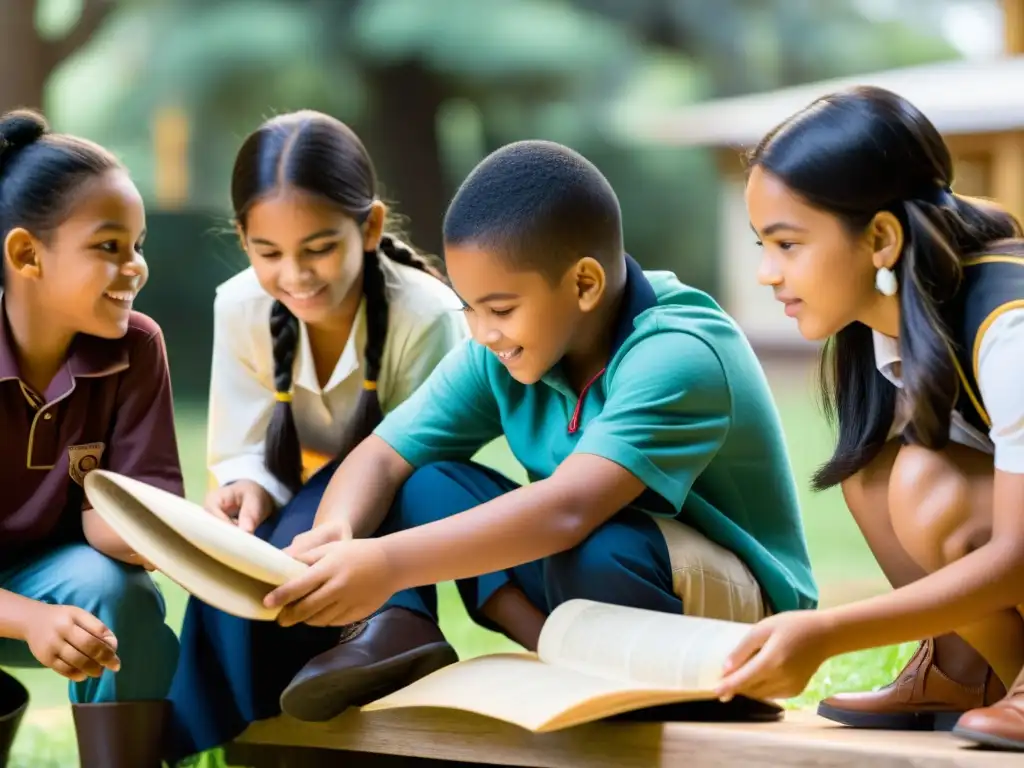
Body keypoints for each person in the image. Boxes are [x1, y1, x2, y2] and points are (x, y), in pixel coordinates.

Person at [259, 138, 819, 724]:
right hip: (593, 577)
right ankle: (493, 643)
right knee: (428, 484)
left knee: (604, 543)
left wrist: (389, 564)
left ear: (584, 285)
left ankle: (681, 689)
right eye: (468, 309)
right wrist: (339, 535)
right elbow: (382, 454)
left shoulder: (680, 352)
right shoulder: (502, 347)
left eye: (499, 310)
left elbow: (569, 509)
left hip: (738, 618)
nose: (481, 333)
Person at [713, 85, 1024, 751]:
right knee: (875, 479)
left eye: (788, 244)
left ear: (881, 237)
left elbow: (1018, 555)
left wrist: (828, 632)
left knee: (922, 487)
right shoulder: (881, 327)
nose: (769, 273)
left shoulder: (1011, 329)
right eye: (762, 243)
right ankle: (966, 672)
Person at [163, 110, 468, 763]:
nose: (296, 275)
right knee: (239, 578)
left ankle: (388, 632)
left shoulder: (428, 316)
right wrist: (245, 489)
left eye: (319, 248)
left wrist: (332, 510)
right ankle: (233, 740)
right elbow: (241, 445)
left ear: (371, 227)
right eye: (268, 253)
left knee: (296, 561)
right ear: (242, 238)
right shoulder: (239, 306)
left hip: (394, 511)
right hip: (293, 497)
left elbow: (429, 460)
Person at [0, 109, 181, 767]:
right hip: (20, 605)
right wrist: (26, 620)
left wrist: (201, 543)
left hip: (50, 573)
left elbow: (117, 524)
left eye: (138, 245)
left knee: (119, 594)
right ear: (26, 255)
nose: (135, 268)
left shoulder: (135, 348)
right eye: (109, 246)